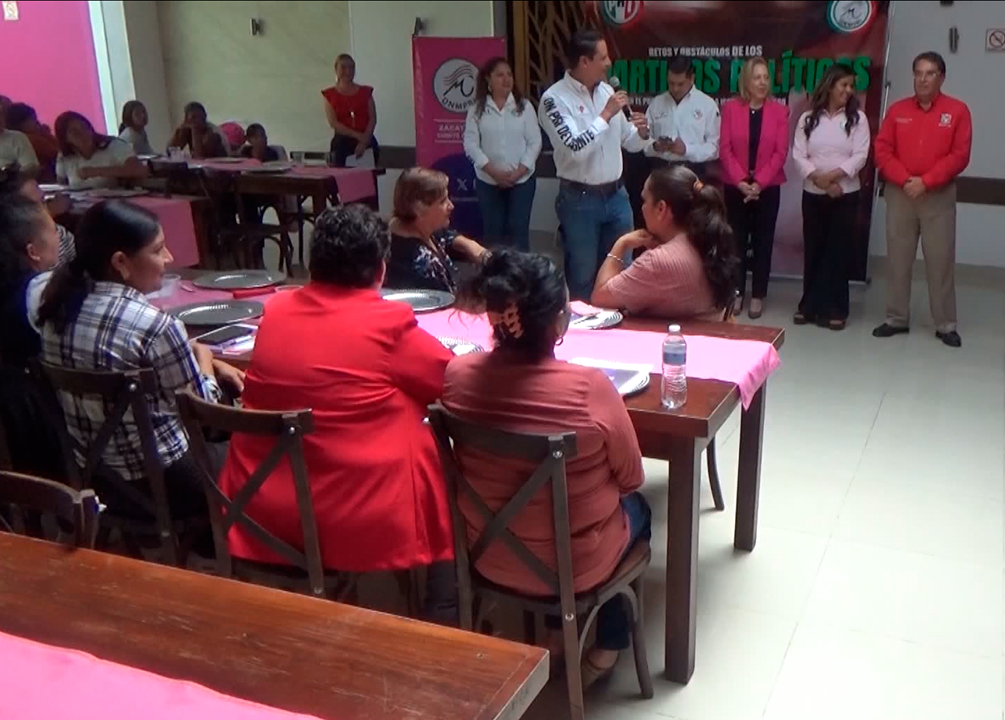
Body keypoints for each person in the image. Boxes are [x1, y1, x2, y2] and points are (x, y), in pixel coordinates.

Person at [220, 205, 456, 602]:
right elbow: (449, 383)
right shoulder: (388, 323)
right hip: (355, 513)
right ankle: (445, 608)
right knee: (442, 454)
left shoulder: (275, 312)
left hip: (262, 503)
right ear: (380, 270)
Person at [443, 248, 650, 686]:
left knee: (553, 511)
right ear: (559, 322)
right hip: (575, 566)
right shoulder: (589, 389)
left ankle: (555, 636)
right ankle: (608, 646)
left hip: (488, 557)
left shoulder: (458, 376)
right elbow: (632, 478)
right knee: (640, 510)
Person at [35, 200, 244, 518]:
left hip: (96, 479)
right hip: (168, 481)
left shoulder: (55, 310)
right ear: (121, 262)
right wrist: (204, 358)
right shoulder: (156, 326)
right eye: (158, 250)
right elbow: (205, 410)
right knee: (260, 447)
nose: (169, 258)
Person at [538, 28, 652, 300]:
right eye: (603, 57)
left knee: (623, 270)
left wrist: (642, 133)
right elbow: (575, 148)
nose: (609, 63)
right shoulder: (554, 100)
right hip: (580, 200)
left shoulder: (607, 91)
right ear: (584, 61)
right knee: (583, 274)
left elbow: (628, 141)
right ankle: (584, 324)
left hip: (617, 196)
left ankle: (619, 322)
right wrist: (606, 114)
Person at [873, 50, 972, 348]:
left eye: (930, 73)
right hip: (900, 193)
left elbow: (960, 155)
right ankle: (896, 318)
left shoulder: (957, 111)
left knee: (940, 261)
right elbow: (882, 150)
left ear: (942, 77)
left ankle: (945, 324)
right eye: (918, 73)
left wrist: (926, 181)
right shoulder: (897, 110)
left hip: (937, 196)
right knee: (898, 258)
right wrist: (906, 179)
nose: (923, 79)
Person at [591, 165, 737, 320]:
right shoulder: (711, 238)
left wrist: (620, 245)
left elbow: (600, 297)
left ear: (661, 209)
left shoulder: (658, 261)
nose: (642, 208)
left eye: (644, 200)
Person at [791, 65, 870, 332]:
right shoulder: (807, 119)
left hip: (845, 195)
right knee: (814, 249)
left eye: (851, 86)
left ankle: (836, 308)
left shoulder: (858, 119)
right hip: (813, 194)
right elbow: (799, 155)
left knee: (838, 252)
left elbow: (860, 156)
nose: (848, 90)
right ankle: (809, 306)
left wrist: (834, 177)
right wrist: (819, 180)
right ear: (830, 85)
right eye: (843, 85)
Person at [0, 170, 65, 480]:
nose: (60, 236)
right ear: (33, 252)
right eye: (53, 231)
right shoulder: (42, 292)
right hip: (45, 421)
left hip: (15, 419)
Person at [720, 57, 788, 320]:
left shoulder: (780, 112)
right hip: (735, 187)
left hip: (767, 188)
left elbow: (780, 152)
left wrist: (758, 183)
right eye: (757, 77)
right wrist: (741, 182)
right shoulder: (730, 109)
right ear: (746, 81)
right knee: (735, 241)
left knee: (763, 242)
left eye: (766, 77)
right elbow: (725, 149)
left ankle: (759, 293)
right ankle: (736, 292)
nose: (762, 82)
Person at [464, 57, 541, 251]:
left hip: (522, 182)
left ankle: (521, 271)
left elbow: (535, 142)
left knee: (519, 233)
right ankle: (495, 270)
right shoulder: (477, 109)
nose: (506, 79)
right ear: (488, 79)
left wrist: (519, 172)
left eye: (509, 74)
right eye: (500, 75)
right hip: (488, 182)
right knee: (493, 234)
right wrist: (494, 172)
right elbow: (471, 144)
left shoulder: (524, 107)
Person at [385, 168, 490, 293]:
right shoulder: (418, 265)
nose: (451, 206)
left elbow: (446, 235)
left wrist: (471, 246)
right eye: (443, 201)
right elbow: (448, 300)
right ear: (419, 209)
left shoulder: (420, 226)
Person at [643, 56, 720, 180]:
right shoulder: (657, 103)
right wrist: (655, 146)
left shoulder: (707, 105)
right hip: (661, 169)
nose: (675, 88)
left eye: (680, 84)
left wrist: (686, 150)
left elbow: (714, 148)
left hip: (693, 171)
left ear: (692, 79)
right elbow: (643, 141)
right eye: (671, 83)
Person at [54, 111, 145, 189]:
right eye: (75, 132)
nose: (83, 134)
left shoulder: (113, 145)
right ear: (65, 139)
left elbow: (139, 170)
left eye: (84, 128)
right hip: (79, 203)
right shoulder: (65, 156)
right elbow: (62, 186)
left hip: (113, 202)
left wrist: (96, 171)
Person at [322, 54, 378, 167]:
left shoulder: (365, 92)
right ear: (336, 69)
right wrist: (357, 135)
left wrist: (364, 140)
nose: (348, 71)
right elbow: (333, 122)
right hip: (342, 143)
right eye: (343, 67)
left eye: (351, 67)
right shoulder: (330, 95)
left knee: (367, 175)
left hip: (366, 140)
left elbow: (372, 118)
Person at [5, 103, 58, 180]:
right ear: (22, 123)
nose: (37, 122)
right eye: (33, 119)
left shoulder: (11, 139)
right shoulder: (32, 139)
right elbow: (57, 152)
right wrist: (46, 133)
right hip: (45, 180)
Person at [0, 102, 38, 176]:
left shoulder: (18, 138)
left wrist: (10, 174)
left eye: (1, 115)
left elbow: (31, 167)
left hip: (12, 181)